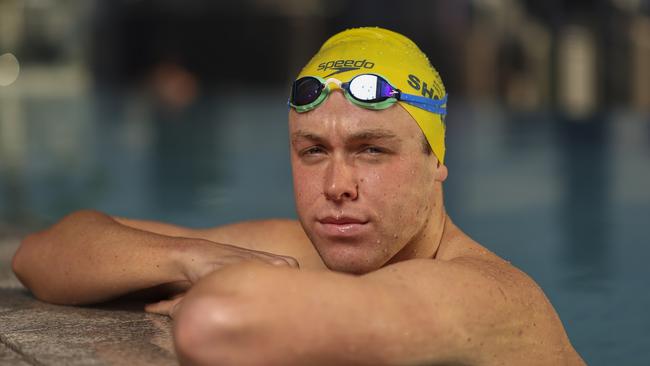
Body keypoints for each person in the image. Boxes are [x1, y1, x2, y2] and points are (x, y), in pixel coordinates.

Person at [12, 27, 585, 365]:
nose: (337, 186)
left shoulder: (481, 295)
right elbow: (43, 252)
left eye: (371, 151)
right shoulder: (303, 252)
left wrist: (227, 287)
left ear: (435, 159)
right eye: (314, 151)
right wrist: (190, 257)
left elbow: (217, 322)